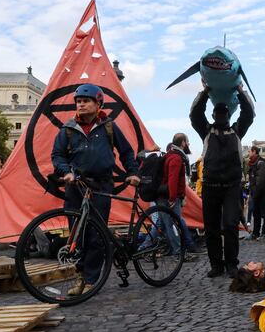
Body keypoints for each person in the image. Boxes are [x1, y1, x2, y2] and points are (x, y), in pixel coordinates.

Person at [51, 84, 140, 295]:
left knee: (96, 235)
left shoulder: (108, 126)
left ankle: (90, 280)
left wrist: (132, 172)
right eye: (78, 101)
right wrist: (66, 171)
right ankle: (80, 277)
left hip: (100, 185)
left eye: (86, 101)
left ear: (98, 103)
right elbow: (57, 155)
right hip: (76, 186)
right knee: (77, 235)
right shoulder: (68, 129)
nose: (81, 105)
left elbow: (126, 152)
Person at [190, 84, 254, 278]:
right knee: (211, 228)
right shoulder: (206, 131)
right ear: (213, 115)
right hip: (210, 186)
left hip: (231, 187)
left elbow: (248, 114)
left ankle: (231, 264)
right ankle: (216, 265)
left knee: (230, 225)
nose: (220, 116)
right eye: (217, 113)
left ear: (228, 115)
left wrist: (240, 91)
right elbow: (195, 114)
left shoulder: (237, 130)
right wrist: (205, 92)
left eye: (223, 113)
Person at [160, 133, 197, 256]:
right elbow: (173, 179)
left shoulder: (170, 155)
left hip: (164, 195)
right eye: (187, 141)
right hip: (169, 196)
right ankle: (179, 252)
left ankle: (176, 249)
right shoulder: (176, 158)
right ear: (183, 143)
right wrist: (172, 198)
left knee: (166, 224)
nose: (189, 144)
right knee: (173, 224)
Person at [248, 146, 265, 241]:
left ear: (254, 152)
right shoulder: (253, 163)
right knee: (256, 214)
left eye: (250, 151)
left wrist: (255, 194)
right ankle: (255, 233)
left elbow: (260, 182)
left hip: (264, 194)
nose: (248, 153)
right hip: (256, 194)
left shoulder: (260, 163)